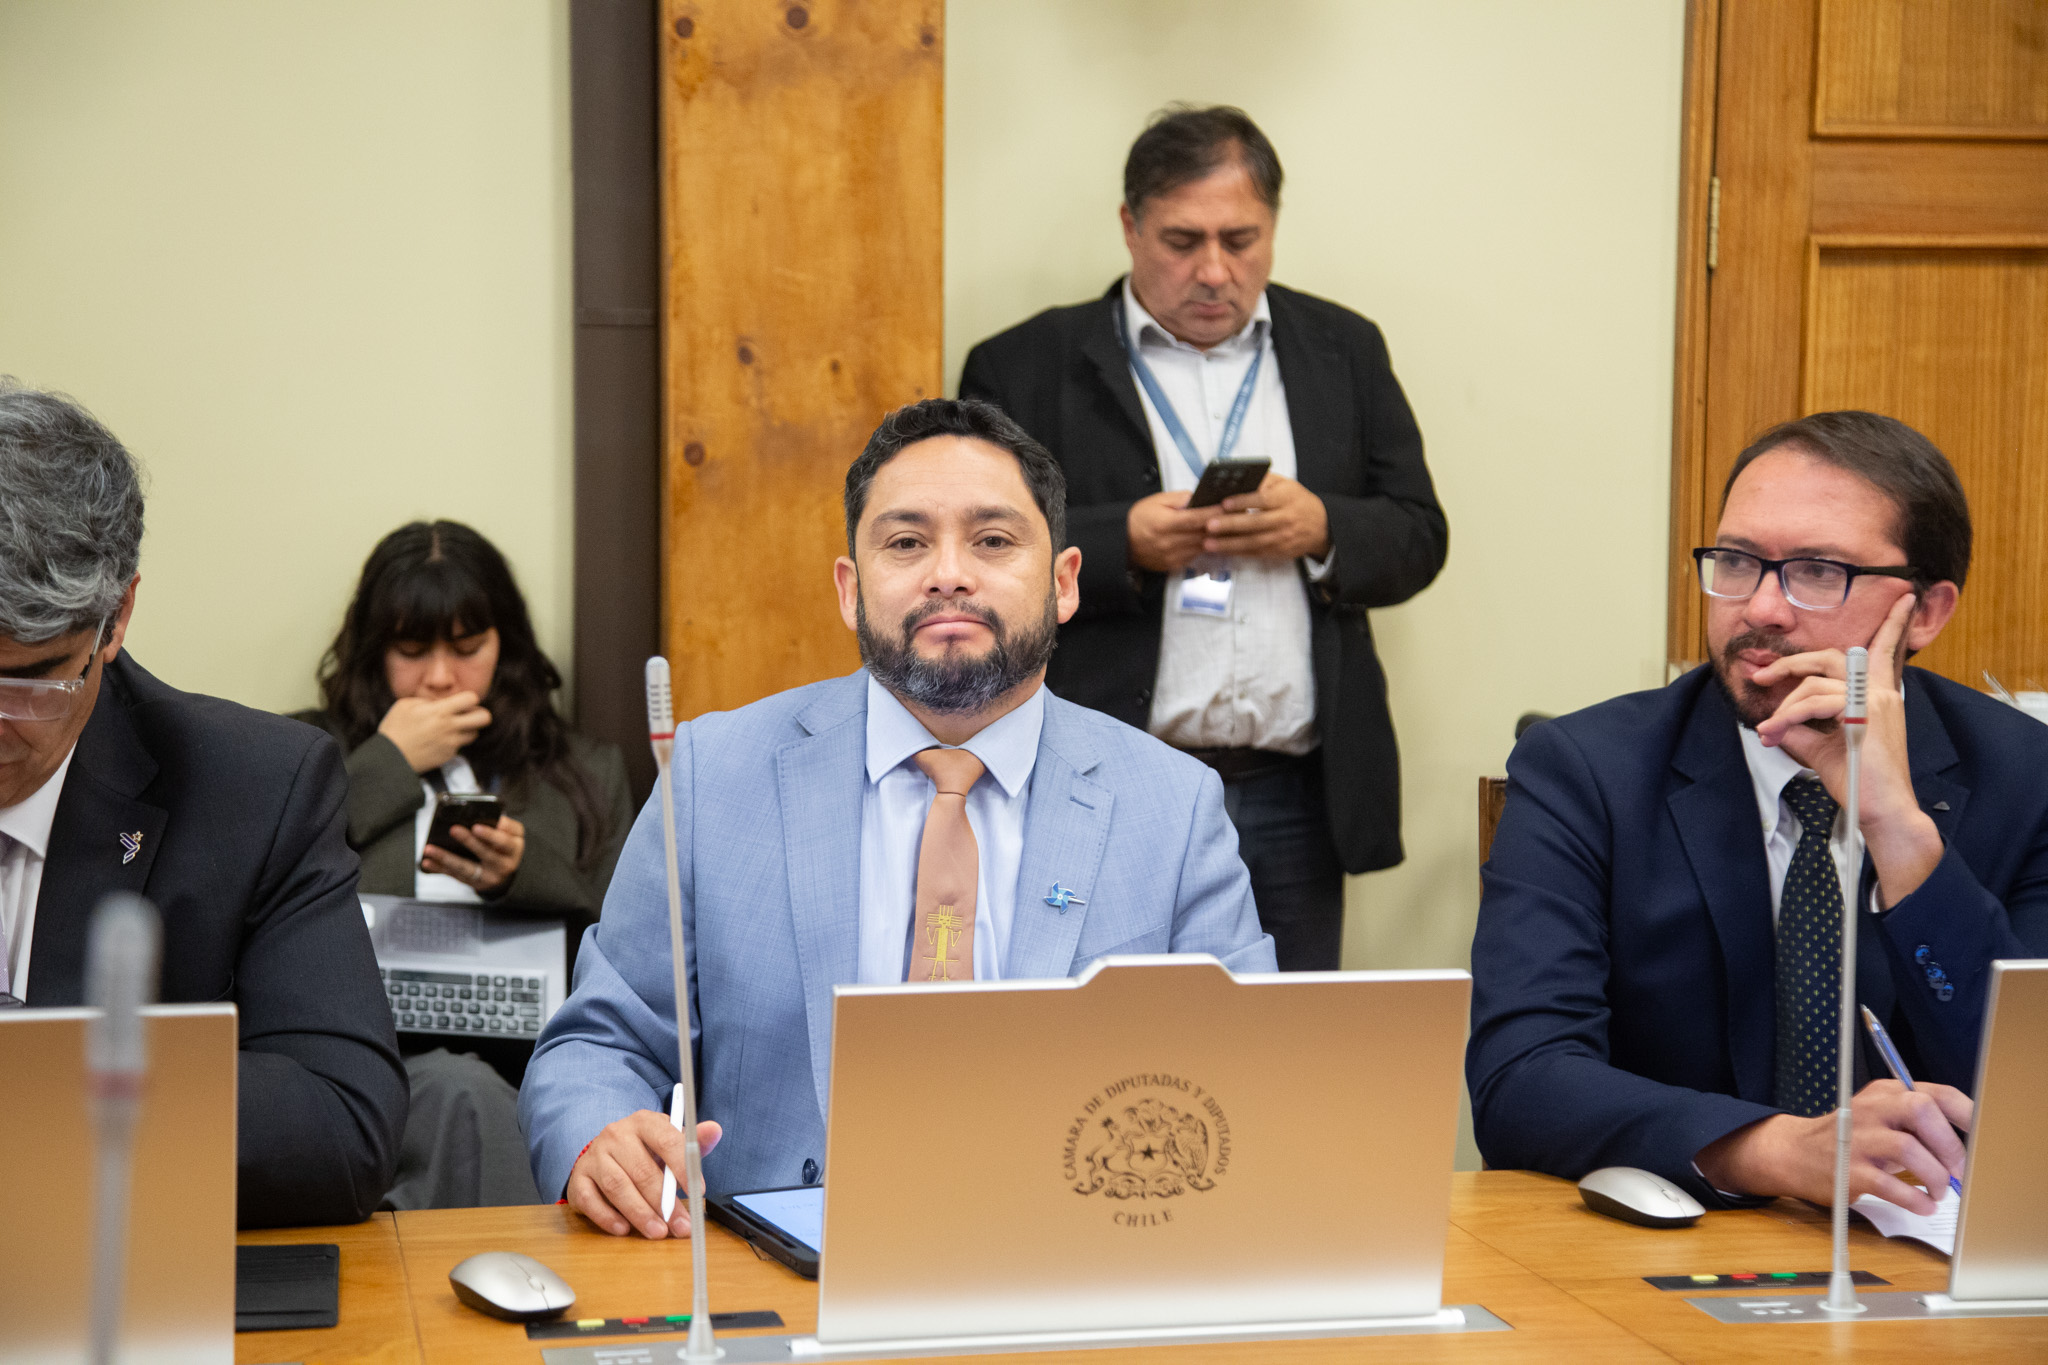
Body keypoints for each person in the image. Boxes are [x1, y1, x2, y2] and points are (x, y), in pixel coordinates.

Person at [519, 398, 1275, 1237]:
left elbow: (1252, 1078)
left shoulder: (1172, 805)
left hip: (1074, 1263)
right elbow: (596, 1046)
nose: (948, 573)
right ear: (851, 590)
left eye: (993, 540)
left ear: (1064, 583)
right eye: (907, 542)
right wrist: (599, 1136)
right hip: (770, 1275)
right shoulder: (712, 776)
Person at [1468, 410, 2048, 1215]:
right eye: (1737, 562)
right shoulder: (1586, 770)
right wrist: (1781, 1151)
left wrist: (1900, 833)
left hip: (1932, 1244)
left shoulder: (2025, 777)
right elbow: (1520, 1080)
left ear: (1925, 611)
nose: (1763, 607)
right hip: (1672, 1243)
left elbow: (2030, 1091)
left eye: (1817, 570)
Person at [959, 105, 1447, 971]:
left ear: (1273, 228)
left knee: (1281, 1045)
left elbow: (1419, 532)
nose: (1215, 271)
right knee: (1096, 1035)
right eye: (1183, 241)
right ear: (1130, 227)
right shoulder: (1023, 364)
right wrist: (1121, 544)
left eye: (1241, 239)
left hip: (1294, 795)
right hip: (1098, 785)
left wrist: (1324, 527)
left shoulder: (1343, 348)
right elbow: (977, 553)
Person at [0, 378, 407, 1226]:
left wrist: (42, 1083)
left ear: (116, 620)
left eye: (31, 683)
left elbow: (343, 1121)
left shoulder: (253, 789)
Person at [295, 520, 633, 1209]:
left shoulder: (583, 772)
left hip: (530, 1058)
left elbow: (629, 950)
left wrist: (524, 874)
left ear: (506, 646)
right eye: (411, 650)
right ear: (373, 651)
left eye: (468, 648)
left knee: (469, 1094)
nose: (440, 676)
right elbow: (271, 870)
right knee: (456, 1092)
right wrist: (387, 764)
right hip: (362, 1057)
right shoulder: (308, 752)